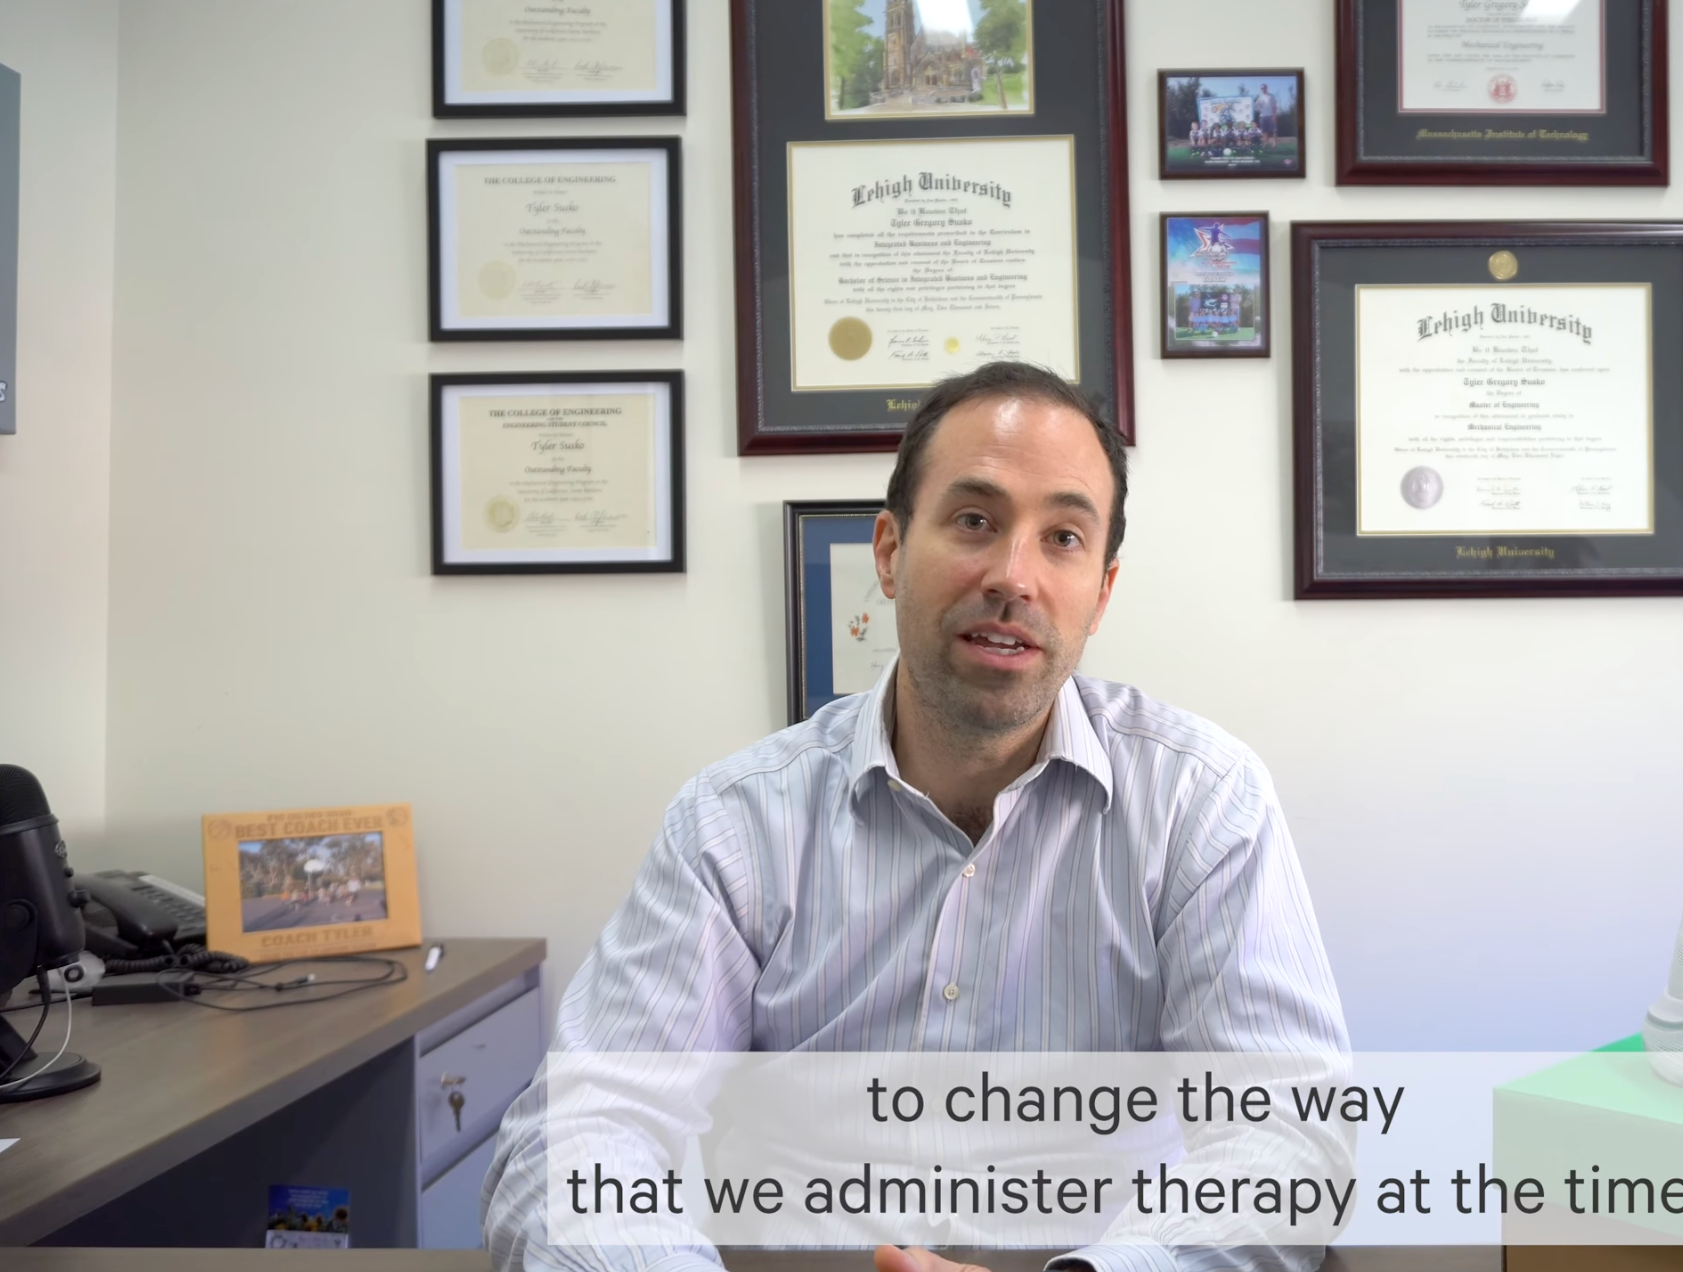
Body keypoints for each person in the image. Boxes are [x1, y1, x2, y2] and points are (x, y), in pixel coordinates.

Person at [482, 362, 1349, 1272]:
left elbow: (1288, 1135)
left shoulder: (1200, 803)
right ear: (890, 552)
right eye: (975, 520)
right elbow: (576, 1139)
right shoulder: (735, 823)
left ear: (1101, 590)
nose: (1014, 577)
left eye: (1062, 537)